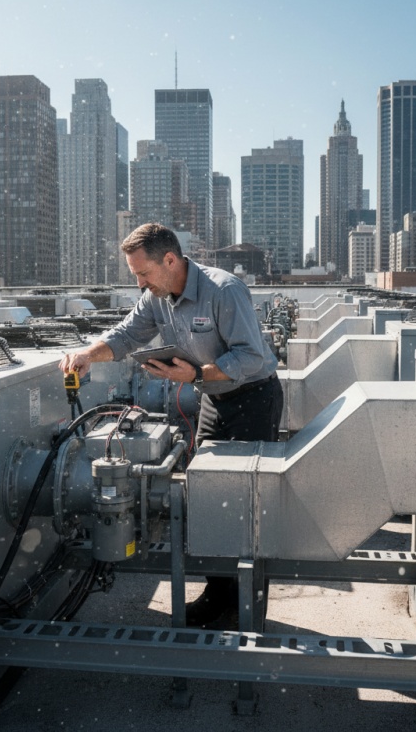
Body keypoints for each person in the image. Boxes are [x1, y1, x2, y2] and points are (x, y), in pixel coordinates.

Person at [59, 222, 283, 626]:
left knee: (247, 502)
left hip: (253, 398)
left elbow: (250, 357)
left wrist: (194, 375)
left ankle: (249, 602)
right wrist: (88, 354)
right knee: (208, 496)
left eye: (143, 273)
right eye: (135, 276)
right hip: (214, 398)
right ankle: (219, 594)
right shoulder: (155, 298)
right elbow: (126, 336)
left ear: (170, 260)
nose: (140, 284)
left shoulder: (223, 290)